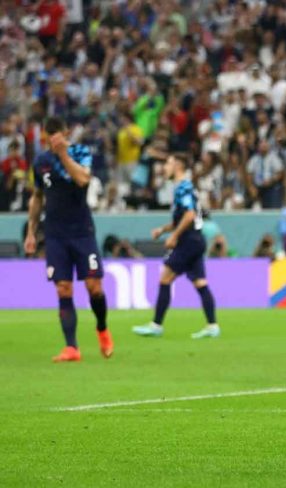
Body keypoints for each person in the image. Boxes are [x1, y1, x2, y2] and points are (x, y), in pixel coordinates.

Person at [24, 116, 113, 362]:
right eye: (48, 135)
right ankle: (72, 347)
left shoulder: (80, 152)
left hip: (82, 232)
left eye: (57, 134)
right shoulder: (41, 162)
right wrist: (32, 231)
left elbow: (83, 179)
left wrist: (64, 155)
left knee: (94, 287)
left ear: (66, 133)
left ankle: (102, 328)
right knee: (63, 288)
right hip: (55, 234)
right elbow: (37, 197)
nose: (53, 139)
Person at [132, 153, 220, 340]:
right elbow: (185, 217)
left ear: (178, 166)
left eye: (168, 163)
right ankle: (212, 326)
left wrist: (174, 236)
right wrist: (163, 229)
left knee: (165, 279)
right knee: (200, 283)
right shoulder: (183, 187)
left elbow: (189, 216)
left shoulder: (183, 187)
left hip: (188, 241)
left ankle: (156, 325)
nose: (165, 168)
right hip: (195, 239)